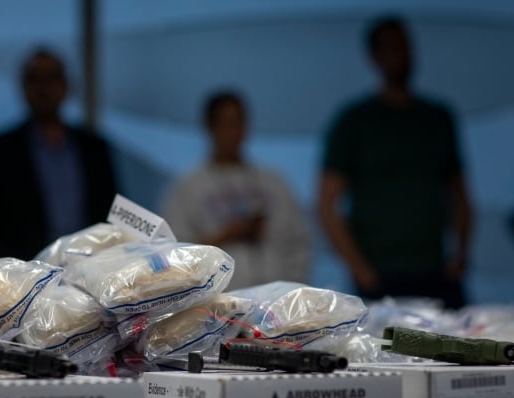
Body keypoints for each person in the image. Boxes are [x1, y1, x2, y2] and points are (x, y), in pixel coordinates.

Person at [318, 16, 473, 308]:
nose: (400, 55)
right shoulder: (356, 122)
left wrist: (461, 255)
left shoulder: (437, 118)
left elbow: (460, 194)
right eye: (390, 48)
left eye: (404, 46)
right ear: (374, 57)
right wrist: (359, 268)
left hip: (436, 269)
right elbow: (327, 203)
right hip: (379, 272)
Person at [0, 48, 117, 260]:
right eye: (35, 79)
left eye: (51, 78)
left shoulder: (94, 148)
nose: (44, 88)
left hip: (92, 269)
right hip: (23, 275)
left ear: (66, 85)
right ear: (23, 87)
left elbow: (114, 217)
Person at [162, 91, 310, 290]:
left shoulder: (274, 182)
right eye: (226, 123)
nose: (234, 131)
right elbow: (173, 254)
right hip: (219, 306)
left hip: (276, 299)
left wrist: (293, 288)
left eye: (239, 122)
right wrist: (224, 236)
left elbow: (299, 241)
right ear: (210, 127)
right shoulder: (188, 187)